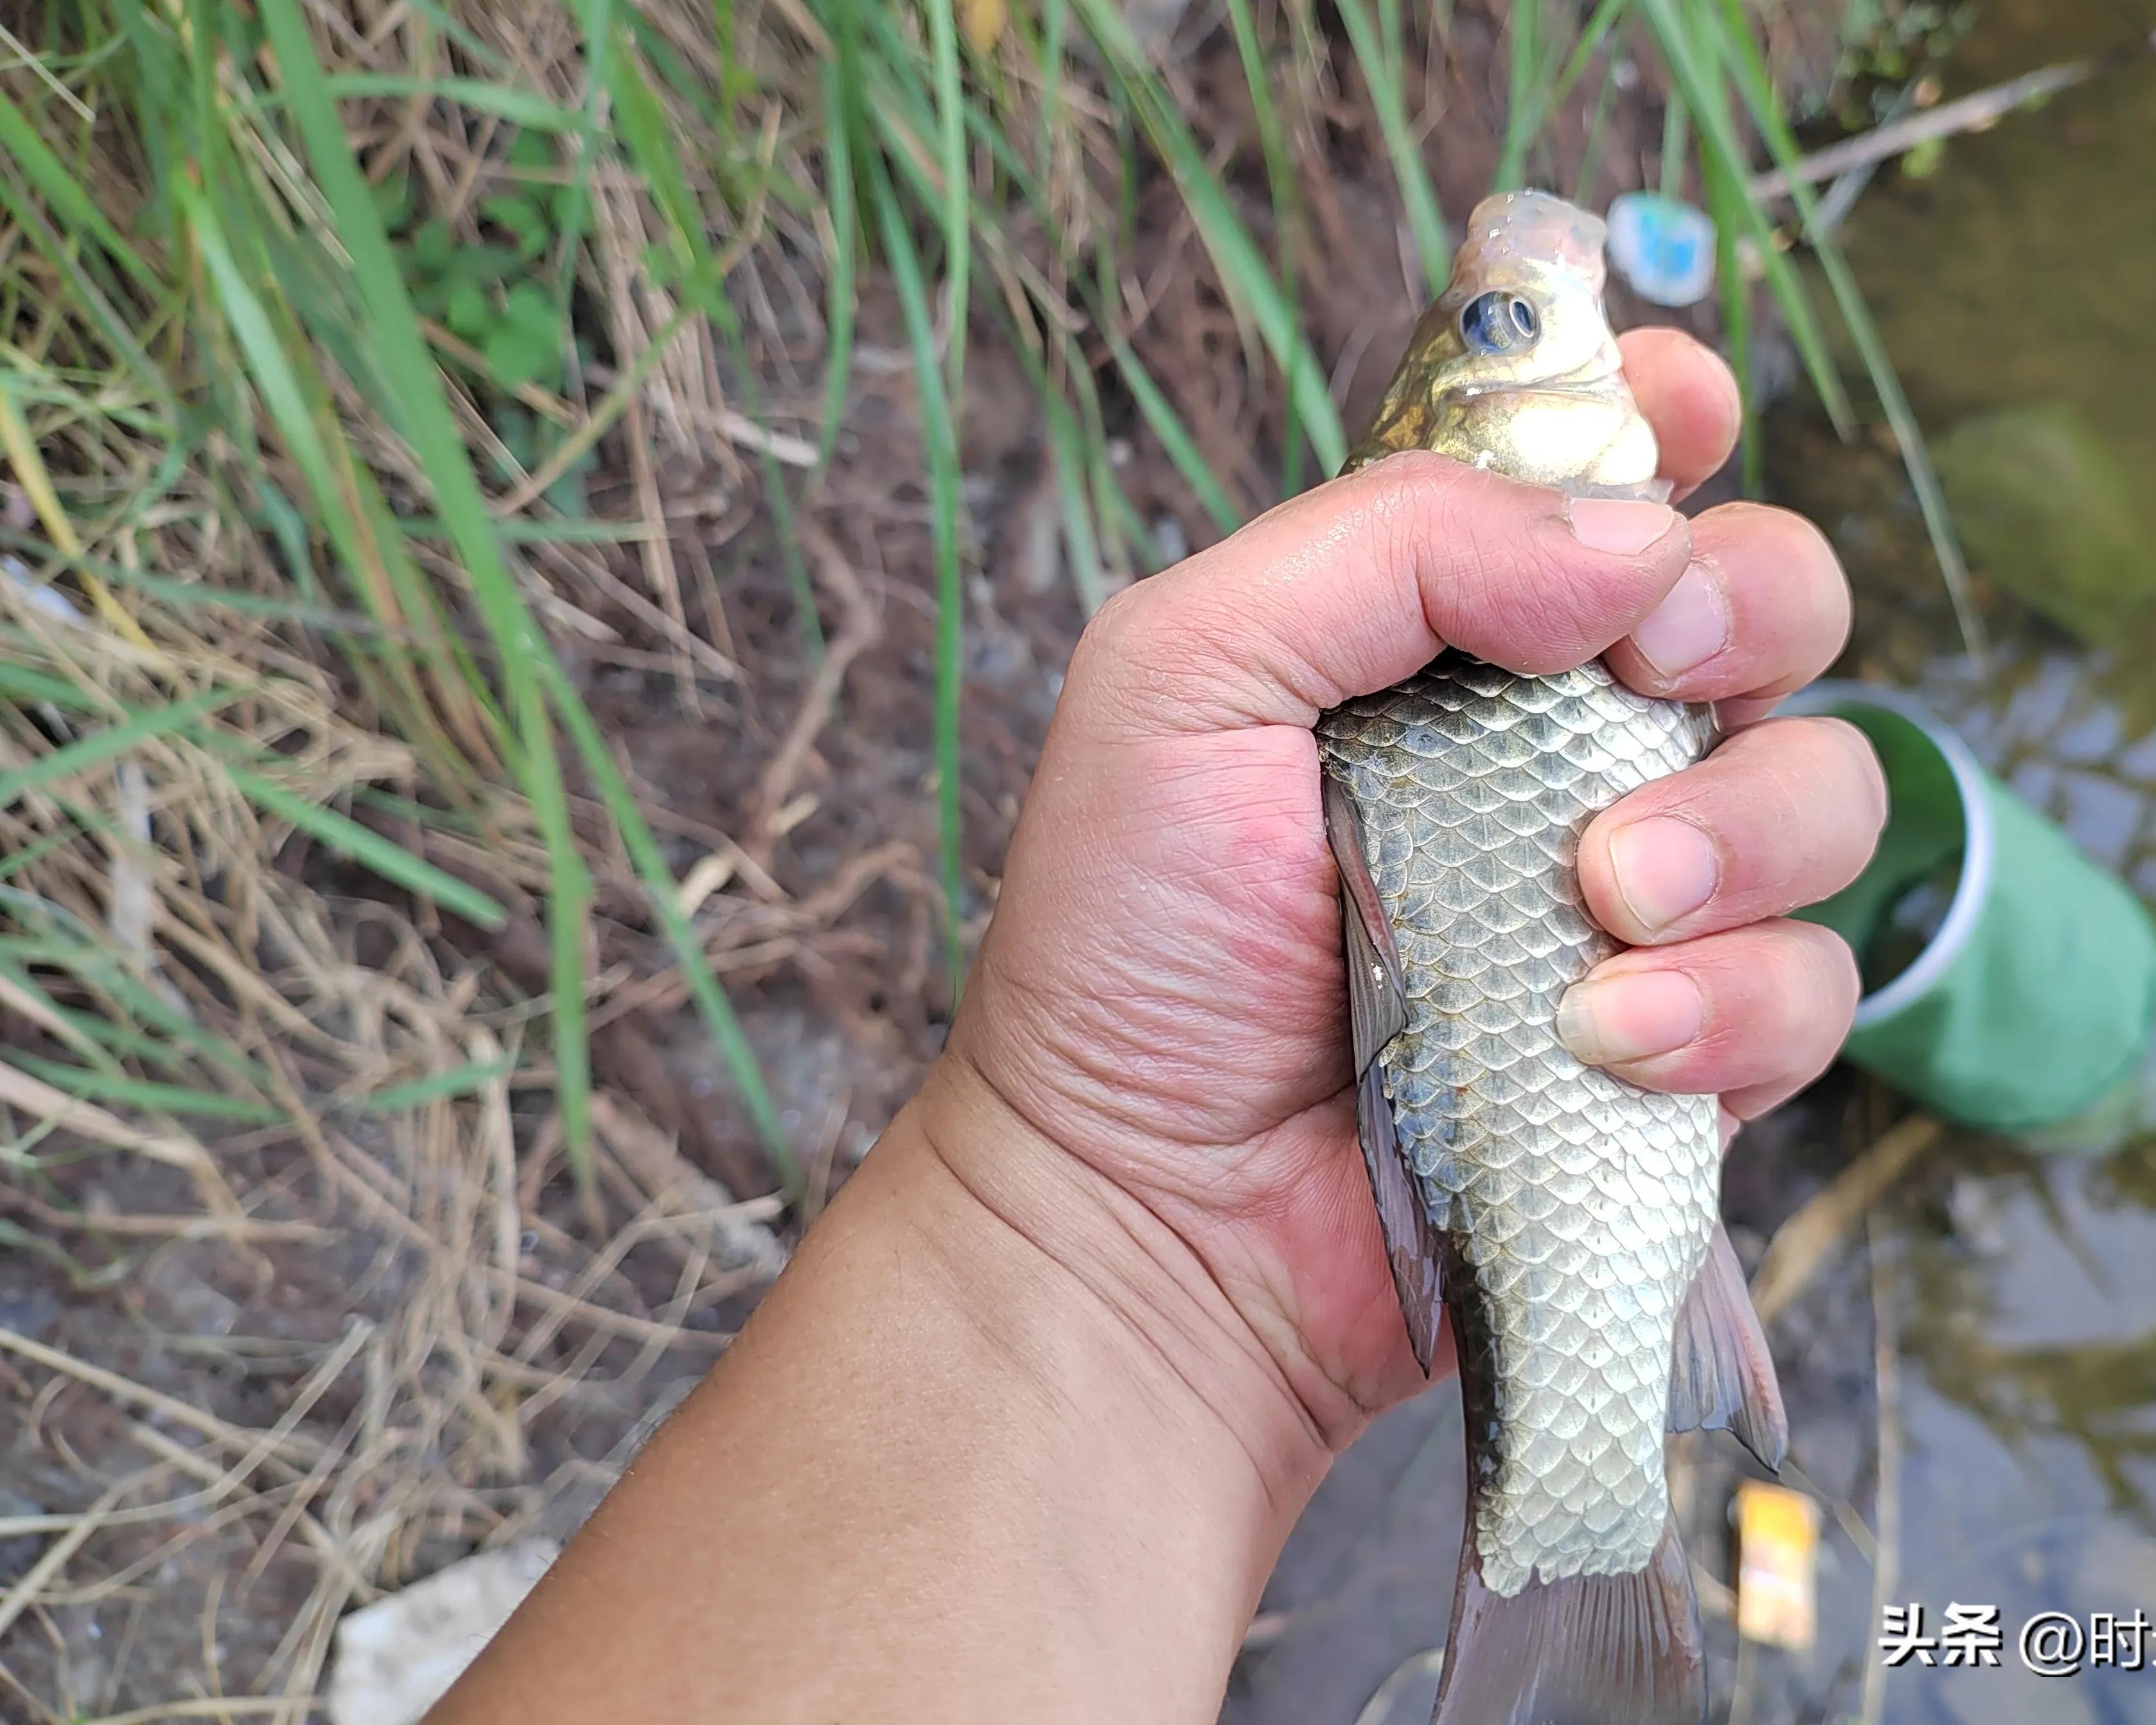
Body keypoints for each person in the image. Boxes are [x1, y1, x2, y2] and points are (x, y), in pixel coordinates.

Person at [433, 330, 1882, 1722]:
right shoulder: (1437, 606)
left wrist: (1116, 1246)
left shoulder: (1502, 607)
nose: (1540, 317)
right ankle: (1576, 1541)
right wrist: (1116, 1214)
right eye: (1508, 331)